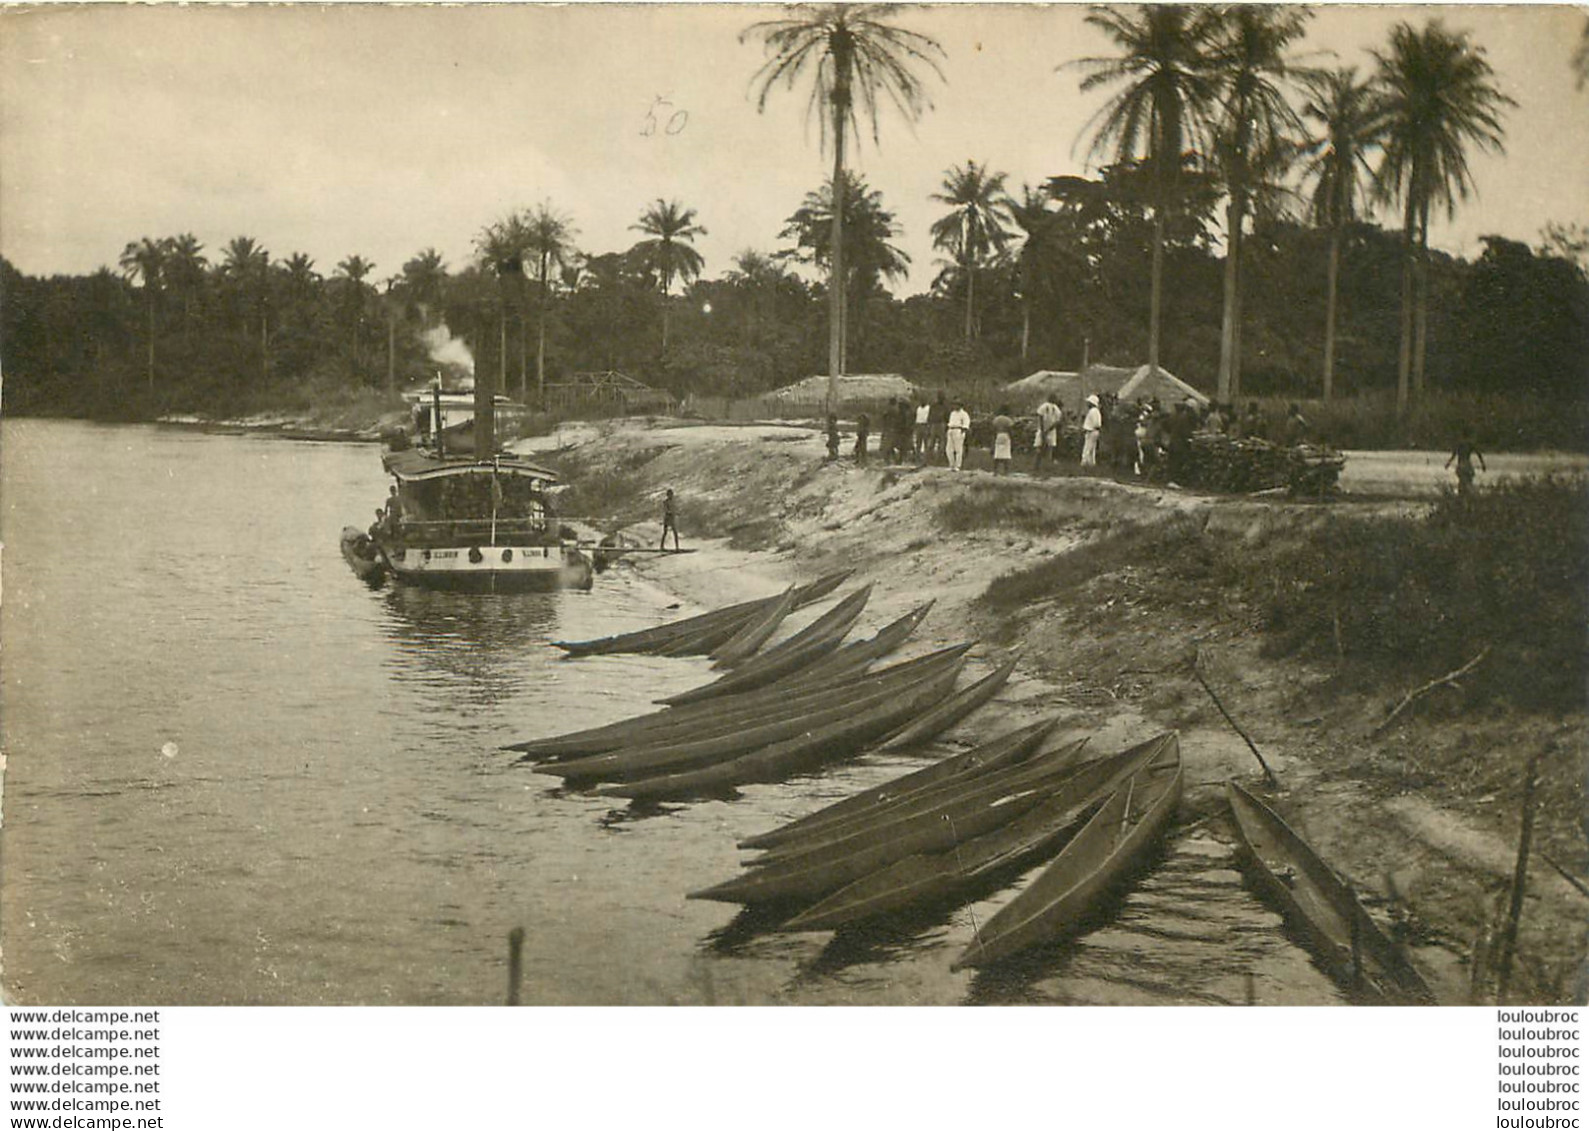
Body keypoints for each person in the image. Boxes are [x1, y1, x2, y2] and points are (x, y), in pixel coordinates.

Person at [1035, 396, 1063, 469]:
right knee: (1049, 448)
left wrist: (1044, 430)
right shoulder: (1055, 408)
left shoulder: (1048, 407)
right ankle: (1043, 465)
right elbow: (1057, 421)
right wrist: (1047, 429)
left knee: (1040, 447)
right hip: (1049, 430)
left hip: (1045, 429)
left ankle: (1039, 465)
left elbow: (1040, 418)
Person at [946, 402, 971, 471]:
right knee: (949, 449)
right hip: (951, 429)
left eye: (957, 405)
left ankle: (958, 466)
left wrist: (963, 430)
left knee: (958, 449)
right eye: (954, 404)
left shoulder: (964, 414)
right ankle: (951, 465)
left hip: (958, 430)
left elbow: (966, 423)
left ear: (960, 406)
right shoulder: (952, 413)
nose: (955, 406)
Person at [991, 406, 1015, 475]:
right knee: (1006, 453)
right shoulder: (1008, 420)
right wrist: (1012, 438)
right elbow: (1010, 430)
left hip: (998, 435)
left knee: (997, 453)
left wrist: (993, 439)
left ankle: (995, 471)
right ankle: (1006, 471)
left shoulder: (996, 419)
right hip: (1005, 435)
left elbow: (993, 430)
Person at [1081, 394, 1102, 467]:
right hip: (1094, 431)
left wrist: (1090, 428)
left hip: (1091, 431)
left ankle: (1084, 463)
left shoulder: (1093, 411)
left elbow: (1096, 423)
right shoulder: (1096, 411)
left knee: (1087, 447)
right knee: (1092, 448)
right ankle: (1091, 463)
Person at [928, 392, 949, 463]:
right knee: (931, 442)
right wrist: (930, 423)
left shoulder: (945, 406)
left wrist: (946, 425)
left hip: (941, 424)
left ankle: (939, 458)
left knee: (942, 442)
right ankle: (930, 458)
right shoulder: (933, 406)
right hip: (934, 424)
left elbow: (947, 416)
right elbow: (930, 415)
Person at [913, 397, 931, 463]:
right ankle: (917, 457)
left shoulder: (928, 408)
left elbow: (929, 417)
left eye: (923, 400)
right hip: (919, 425)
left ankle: (926, 459)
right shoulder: (918, 408)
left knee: (926, 442)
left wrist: (928, 427)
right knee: (918, 442)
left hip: (925, 425)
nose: (922, 402)